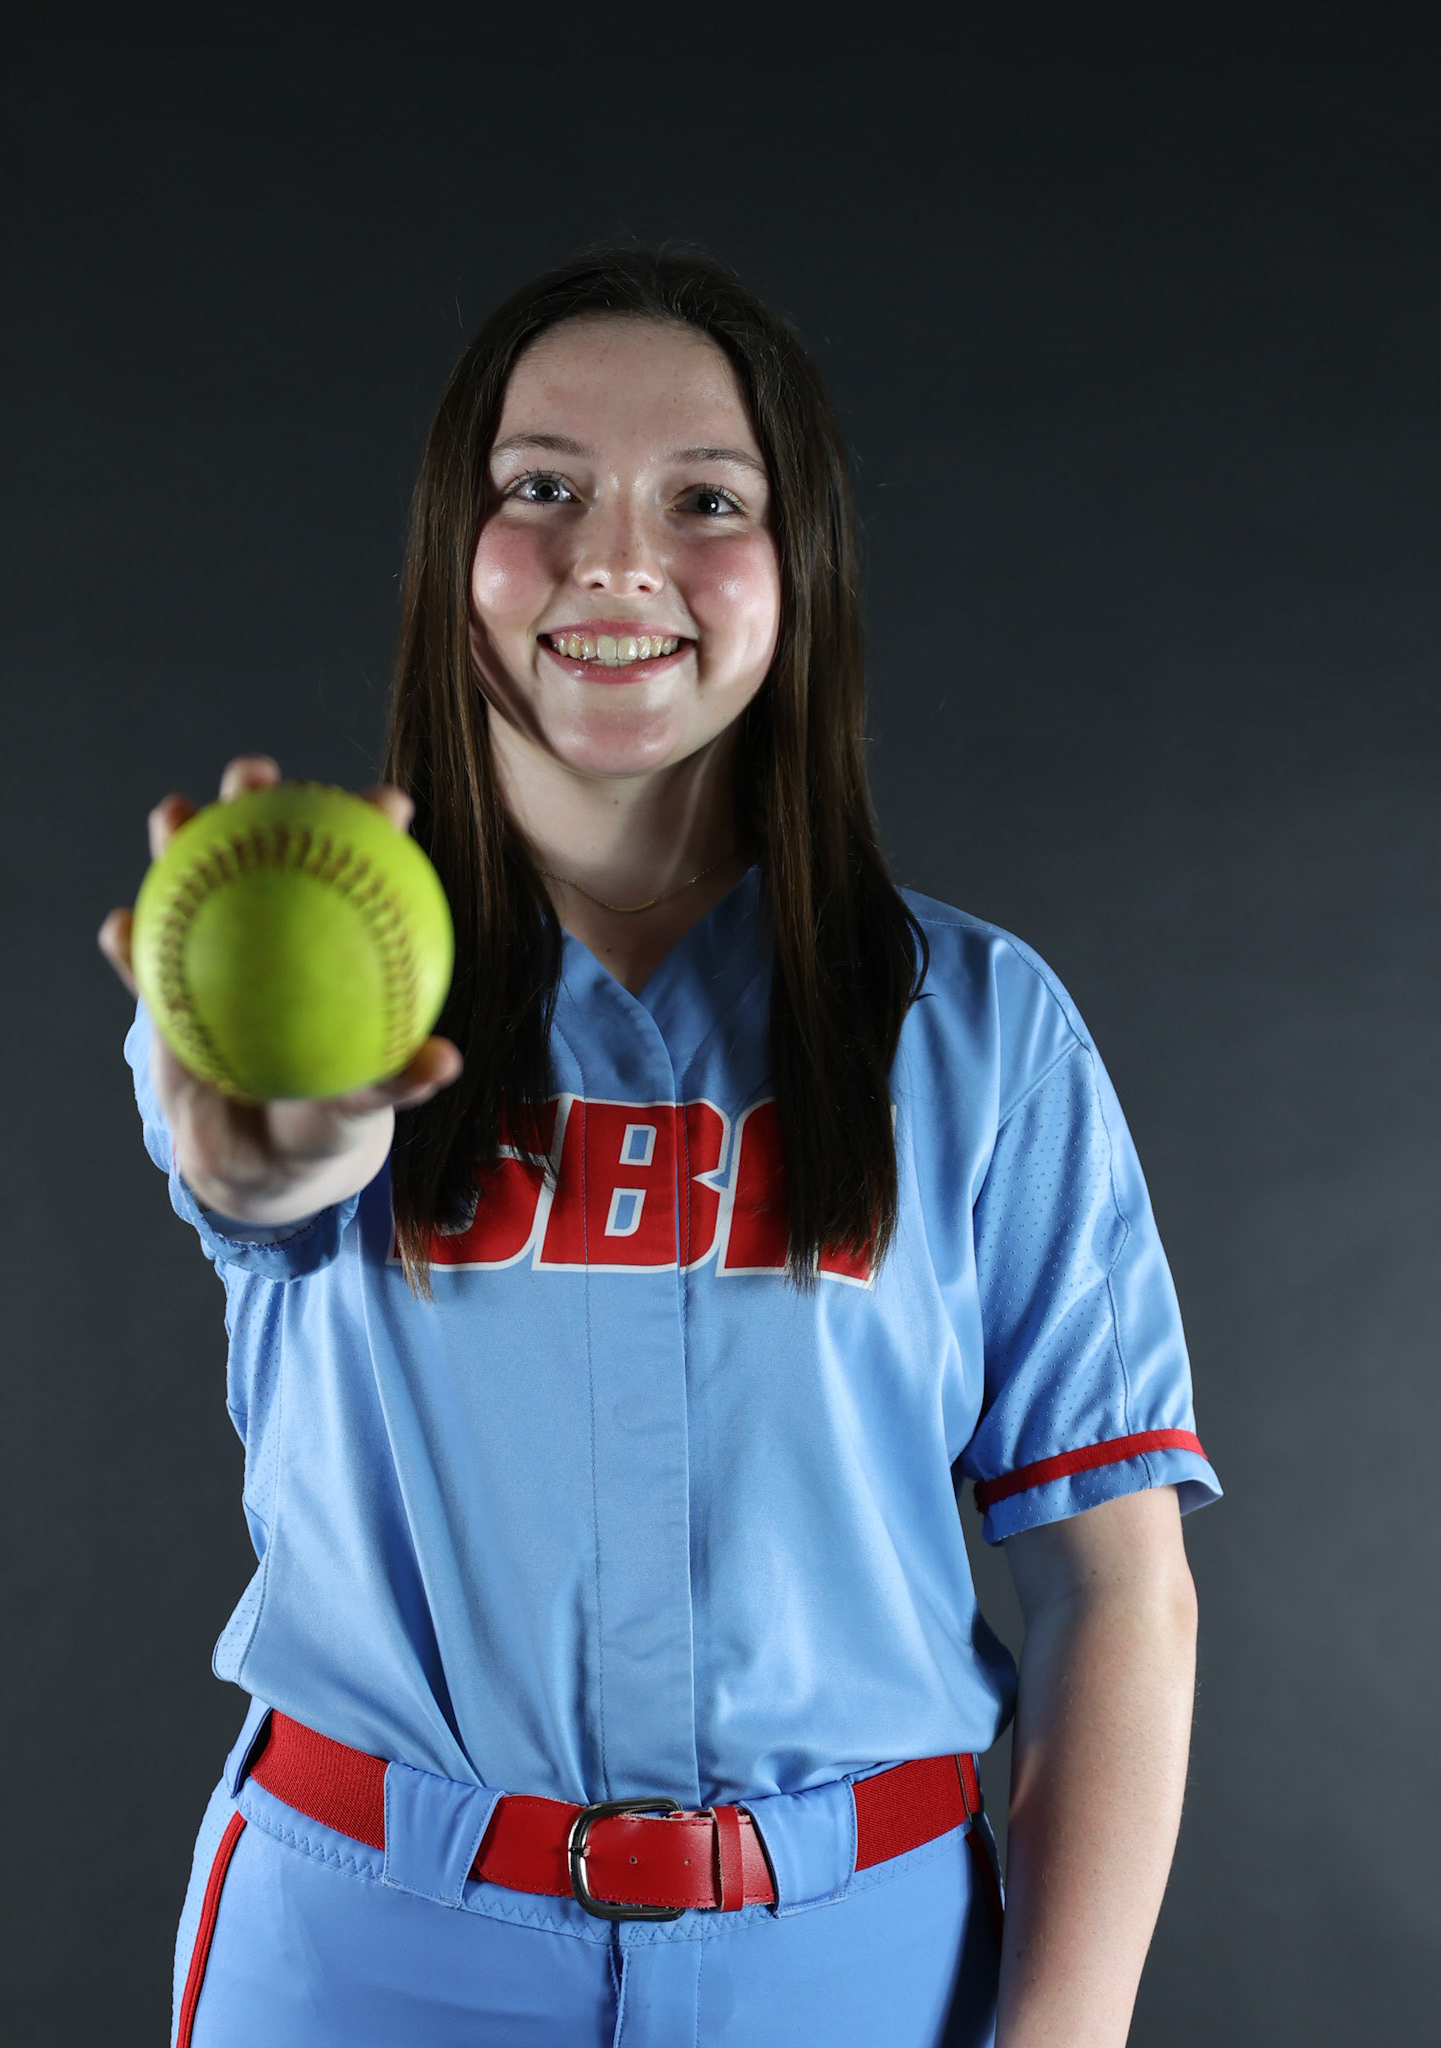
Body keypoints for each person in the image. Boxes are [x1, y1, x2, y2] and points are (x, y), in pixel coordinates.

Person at [100, 247, 1219, 2048]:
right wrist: (268, 1139)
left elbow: (1113, 1581)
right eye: (540, 488)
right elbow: (253, 1171)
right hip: (374, 1949)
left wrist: (1059, 2036)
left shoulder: (978, 1028)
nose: (614, 557)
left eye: (704, 500)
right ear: (449, 552)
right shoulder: (284, 992)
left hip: (857, 1955)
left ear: (800, 572)